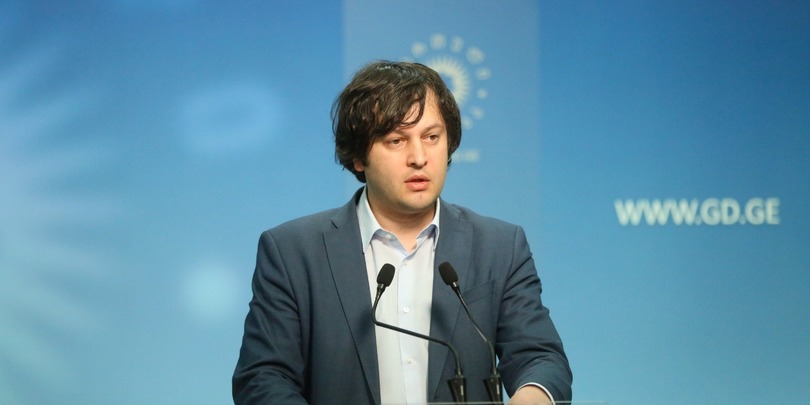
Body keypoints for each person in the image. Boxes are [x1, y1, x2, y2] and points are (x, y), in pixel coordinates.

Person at [233, 60, 572, 404]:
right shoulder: (293, 252)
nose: (419, 157)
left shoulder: (500, 246)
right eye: (396, 140)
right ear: (358, 157)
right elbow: (262, 378)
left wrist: (532, 396)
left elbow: (540, 359)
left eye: (432, 137)